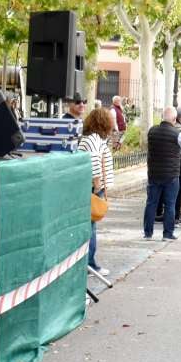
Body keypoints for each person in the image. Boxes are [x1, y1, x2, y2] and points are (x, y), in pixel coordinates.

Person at [77, 108, 114, 276]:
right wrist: (98, 184)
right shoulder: (94, 139)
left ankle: (88, 262)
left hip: (88, 186)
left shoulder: (90, 138)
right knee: (90, 227)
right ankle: (90, 264)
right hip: (92, 188)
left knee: (90, 225)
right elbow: (94, 162)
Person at [143, 107, 181, 241]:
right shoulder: (177, 134)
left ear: (162, 116)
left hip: (154, 173)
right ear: (174, 119)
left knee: (151, 203)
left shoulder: (152, 131)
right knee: (170, 204)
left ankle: (148, 233)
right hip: (171, 175)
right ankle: (167, 234)